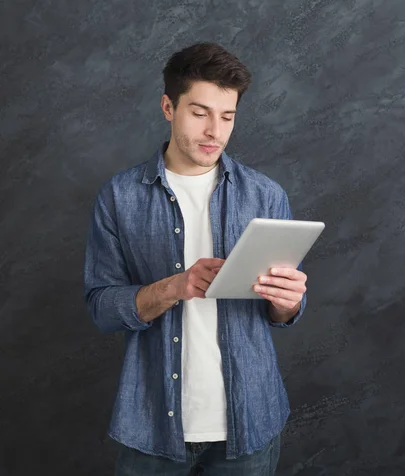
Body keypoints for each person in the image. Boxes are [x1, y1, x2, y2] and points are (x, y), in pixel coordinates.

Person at [83, 42, 308, 476]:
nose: (214, 132)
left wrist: (289, 302)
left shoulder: (266, 195)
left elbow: (284, 312)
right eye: (200, 113)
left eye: (227, 117)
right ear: (169, 107)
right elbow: (100, 308)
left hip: (250, 426)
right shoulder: (119, 197)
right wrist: (174, 287)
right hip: (151, 425)